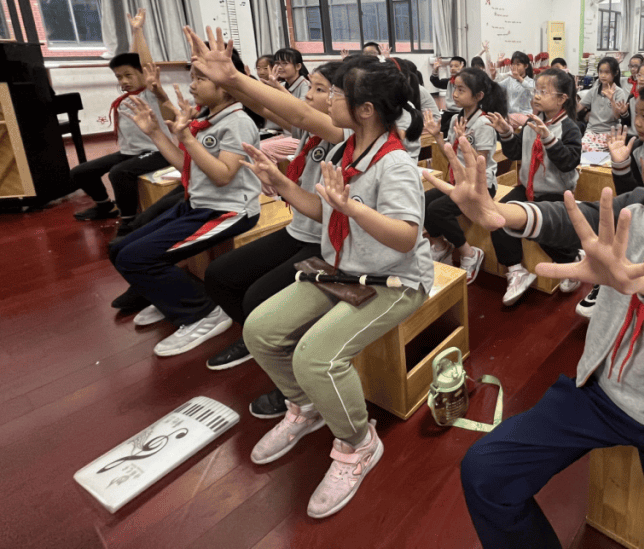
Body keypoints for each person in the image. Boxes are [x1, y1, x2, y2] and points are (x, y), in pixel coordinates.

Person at [428, 74, 644, 549]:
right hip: (603, 394)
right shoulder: (643, 203)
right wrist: (502, 214)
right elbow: (576, 218)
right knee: (485, 472)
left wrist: (643, 280)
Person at [241, 56, 432, 519]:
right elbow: (324, 212)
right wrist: (280, 185)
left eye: (336, 93)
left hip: (396, 280)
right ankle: (306, 409)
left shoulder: (396, 165)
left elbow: (407, 236)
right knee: (259, 329)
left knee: (316, 356)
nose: (325, 99)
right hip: (343, 268)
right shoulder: (344, 148)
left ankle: (358, 442)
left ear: (365, 109)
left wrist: (353, 208)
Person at [186, 35, 346, 386]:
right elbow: (269, 110)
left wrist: (232, 78)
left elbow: (297, 111)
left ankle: (287, 366)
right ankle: (257, 342)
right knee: (219, 275)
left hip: (325, 242)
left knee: (259, 296)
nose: (308, 95)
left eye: (319, 90)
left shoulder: (341, 131)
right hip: (299, 230)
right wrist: (234, 80)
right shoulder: (310, 131)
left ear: (341, 100)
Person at [109, 32, 262, 357]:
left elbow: (223, 177)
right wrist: (155, 133)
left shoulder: (237, 123)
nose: (192, 85)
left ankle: (202, 313)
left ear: (225, 84)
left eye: (200, 79)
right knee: (121, 248)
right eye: (193, 77)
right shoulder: (206, 118)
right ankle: (169, 300)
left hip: (229, 211)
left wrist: (187, 139)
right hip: (198, 204)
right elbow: (186, 164)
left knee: (136, 257)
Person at [71, 10, 174, 231]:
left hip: (157, 152)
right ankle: (104, 206)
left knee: (120, 173)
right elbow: (133, 61)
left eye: (128, 75)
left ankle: (128, 220)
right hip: (131, 152)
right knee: (81, 171)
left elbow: (144, 64)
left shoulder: (150, 92)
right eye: (119, 77)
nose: (123, 81)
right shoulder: (126, 97)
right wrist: (133, 35)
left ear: (143, 76)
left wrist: (138, 31)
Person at [487, 68, 582, 305]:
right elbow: (516, 151)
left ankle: (572, 260)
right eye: (535, 91)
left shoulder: (569, 127)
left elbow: (569, 161)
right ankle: (517, 270)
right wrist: (506, 133)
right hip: (529, 188)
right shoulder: (531, 121)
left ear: (561, 99)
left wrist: (549, 138)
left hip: (555, 192)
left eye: (543, 91)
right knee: (497, 217)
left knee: (541, 230)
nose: (537, 96)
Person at [422, 67, 507, 283]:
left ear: (478, 96)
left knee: (437, 209)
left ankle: (470, 253)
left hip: (481, 185)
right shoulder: (456, 120)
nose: (455, 94)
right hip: (459, 183)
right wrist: (437, 136)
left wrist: (463, 141)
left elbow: (480, 162)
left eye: (461, 90)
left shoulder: (484, 123)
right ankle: (441, 244)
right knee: (422, 200)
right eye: (455, 89)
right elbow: (449, 153)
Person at [260, 48, 311, 162]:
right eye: (277, 63)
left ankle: (273, 179)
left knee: (263, 149)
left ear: (298, 66)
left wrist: (277, 87)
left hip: (301, 137)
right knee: (254, 147)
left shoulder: (305, 85)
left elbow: (300, 109)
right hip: (287, 134)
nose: (280, 67)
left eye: (285, 63)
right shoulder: (282, 84)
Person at [577, 56, 630, 152]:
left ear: (615, 73)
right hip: (592, 131)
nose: (603, 75)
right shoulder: (594, 91)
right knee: (581, 149)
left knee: (601, 154)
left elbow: (616, 116)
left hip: (610, 132)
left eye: (607, 72)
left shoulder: (619, 92)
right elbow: (578, 107)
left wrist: (612, 100)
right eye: (600, 72)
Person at [494, 50, 535, 127]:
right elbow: (495, 86)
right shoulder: (510, 80)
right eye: (513, 64)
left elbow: (532, 89)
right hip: (511, 117)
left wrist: (519, 78)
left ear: (526, 66)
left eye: (518, 64)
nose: (514, 67)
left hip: (526, 116)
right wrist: (496, 70)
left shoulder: (531, 81)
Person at [430, 55, 466, 135]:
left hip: (460, 112)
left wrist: (461, 73)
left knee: (451, 131)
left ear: (463, 67)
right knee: (440, 130)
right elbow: (436, 82)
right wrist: (435, 69)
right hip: (448, 112)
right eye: (451, 66)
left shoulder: (466, 82)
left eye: (456, 66)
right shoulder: (449, 81)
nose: (452, 68)